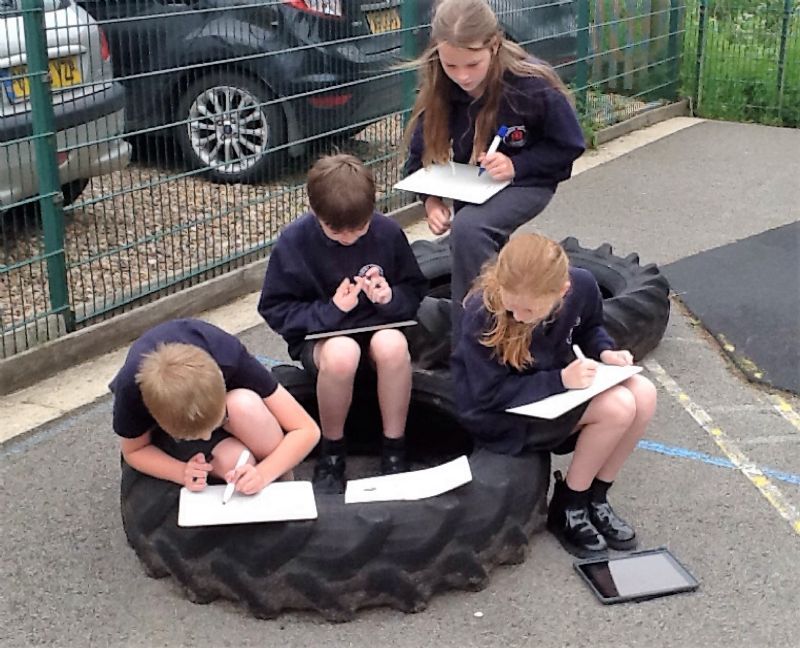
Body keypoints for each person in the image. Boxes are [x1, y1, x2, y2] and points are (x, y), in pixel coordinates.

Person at [451, 234, 657, 557]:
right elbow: (489, 394)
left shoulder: (583, 286)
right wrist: (560, 380)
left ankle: (597, 497)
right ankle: (570, 505)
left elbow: (589, 329)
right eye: (511, 305)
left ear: (562, 292)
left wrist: (606, 353)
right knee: (618, 407)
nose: (517, 316)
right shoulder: (482, 311)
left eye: (528, 309)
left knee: (644, 394)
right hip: (499, 415)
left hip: (552, 397)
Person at [403, 0, 585, 332]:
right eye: (451, 65)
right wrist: (430, 202)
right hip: (474, 183)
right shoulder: (441, 83)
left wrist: (517, 165)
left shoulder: (530, 83)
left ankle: (476, 337)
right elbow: (417, 160)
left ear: (494, 45)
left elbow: (570, 145)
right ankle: (499, 311)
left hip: (528, 180)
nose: (462, 76)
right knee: (471, 239)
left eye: (472, 64)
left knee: (470, 229)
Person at [258, 154, 427, 494]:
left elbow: (415, 289)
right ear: (316, 214)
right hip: (323, 339)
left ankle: (394, 447)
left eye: (358, 228)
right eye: (336, 230)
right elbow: (276, 310)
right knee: (342, 353)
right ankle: (332, 450)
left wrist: (389, 298)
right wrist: (332, 309)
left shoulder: (388, 233)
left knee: (392, 345)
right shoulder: (294, 242)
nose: (348, 238)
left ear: (371, 214)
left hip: (380, 328)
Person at [110, 319, 320, 495]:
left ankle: (283, 482)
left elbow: (307, 430)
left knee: (244, 405)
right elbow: (134, 450)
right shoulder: (131, 392)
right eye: (196, 436)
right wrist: (182, 471)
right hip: (177, 418)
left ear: (223, 379)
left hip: (230, 403)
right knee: (238, 462)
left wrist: (265, 473)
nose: (206, 437)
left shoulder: (229, 356)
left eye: (214, 425)